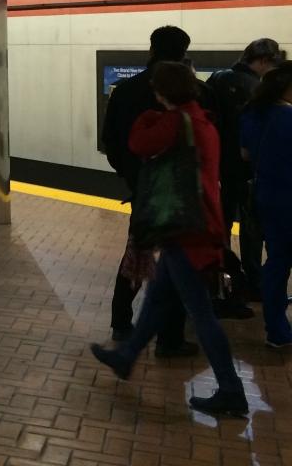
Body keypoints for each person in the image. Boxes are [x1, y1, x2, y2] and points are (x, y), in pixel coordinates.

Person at [90, 62, 246, 417]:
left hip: (186, 230)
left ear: (162, 91)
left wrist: (147, 115)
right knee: (157, 299)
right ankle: (126, 357)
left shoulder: (177, 122)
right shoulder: (202, 119)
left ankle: (231, 389)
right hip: (198, 223)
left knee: (201, 314)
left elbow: (138, 143)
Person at [100, 25, 197, 349]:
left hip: (142, 190)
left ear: (152, 49)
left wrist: (132, 175)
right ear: (183, 53)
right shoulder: (193, 93)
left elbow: (111, 142)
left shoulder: (125, 90)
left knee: (137, 255)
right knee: (179, 259)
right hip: (182, 197)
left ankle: (121, 321)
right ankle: (171, 334)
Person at [207, 37, 285, 307]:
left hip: (217, 168)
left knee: (222, 224)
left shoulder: (216, 79)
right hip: (246, 171)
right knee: (252, 228)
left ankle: (221, 277)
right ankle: (253, 281)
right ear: (263, 61)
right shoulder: (256, 88)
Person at [240, 62, 292, 348]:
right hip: (288, 197)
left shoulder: (252, 113)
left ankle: (277, 328)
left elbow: (245, 155)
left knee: (276, 263)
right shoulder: (289, 116)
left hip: (266, 196)